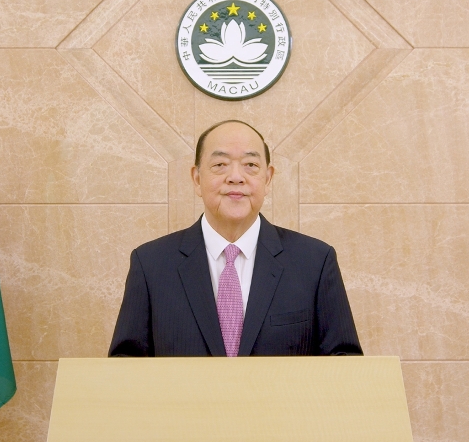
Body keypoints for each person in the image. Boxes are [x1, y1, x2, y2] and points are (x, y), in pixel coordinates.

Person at [109, 120, 363, 357]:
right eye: (220, 165)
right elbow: (125, 366)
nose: (236, 177)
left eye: (250, 165)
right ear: (197, 179)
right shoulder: (150, 264)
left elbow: (345, 363)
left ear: (268, 178)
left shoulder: (315, 262)